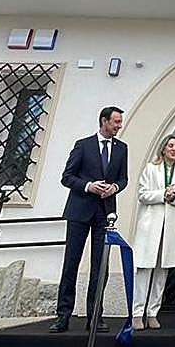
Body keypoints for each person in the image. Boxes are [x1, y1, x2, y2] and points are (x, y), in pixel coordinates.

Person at [49, 105, 129, 333]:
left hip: (105, 213)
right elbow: (67, 177)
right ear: (104, 121)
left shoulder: (122, 148)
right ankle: (63, 316)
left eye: (120, 122)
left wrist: (114, 188)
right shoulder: (83, 145)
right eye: (116, 122)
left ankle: (95, 316)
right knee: (71, 264)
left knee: (100, 266)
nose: (119, 126)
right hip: (79, 212)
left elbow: (123, 179)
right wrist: (88, 186)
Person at [131, 134, 175, 331]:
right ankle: (137, 313)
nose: (173, 149)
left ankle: (152, 313)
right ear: (163, 149)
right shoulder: (151, 168)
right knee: (144, 270)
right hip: (151, 225)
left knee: (162, 272)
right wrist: (162, 195)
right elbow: (142, 194)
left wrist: (174, 197)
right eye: (170, 145)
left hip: (171, 226)